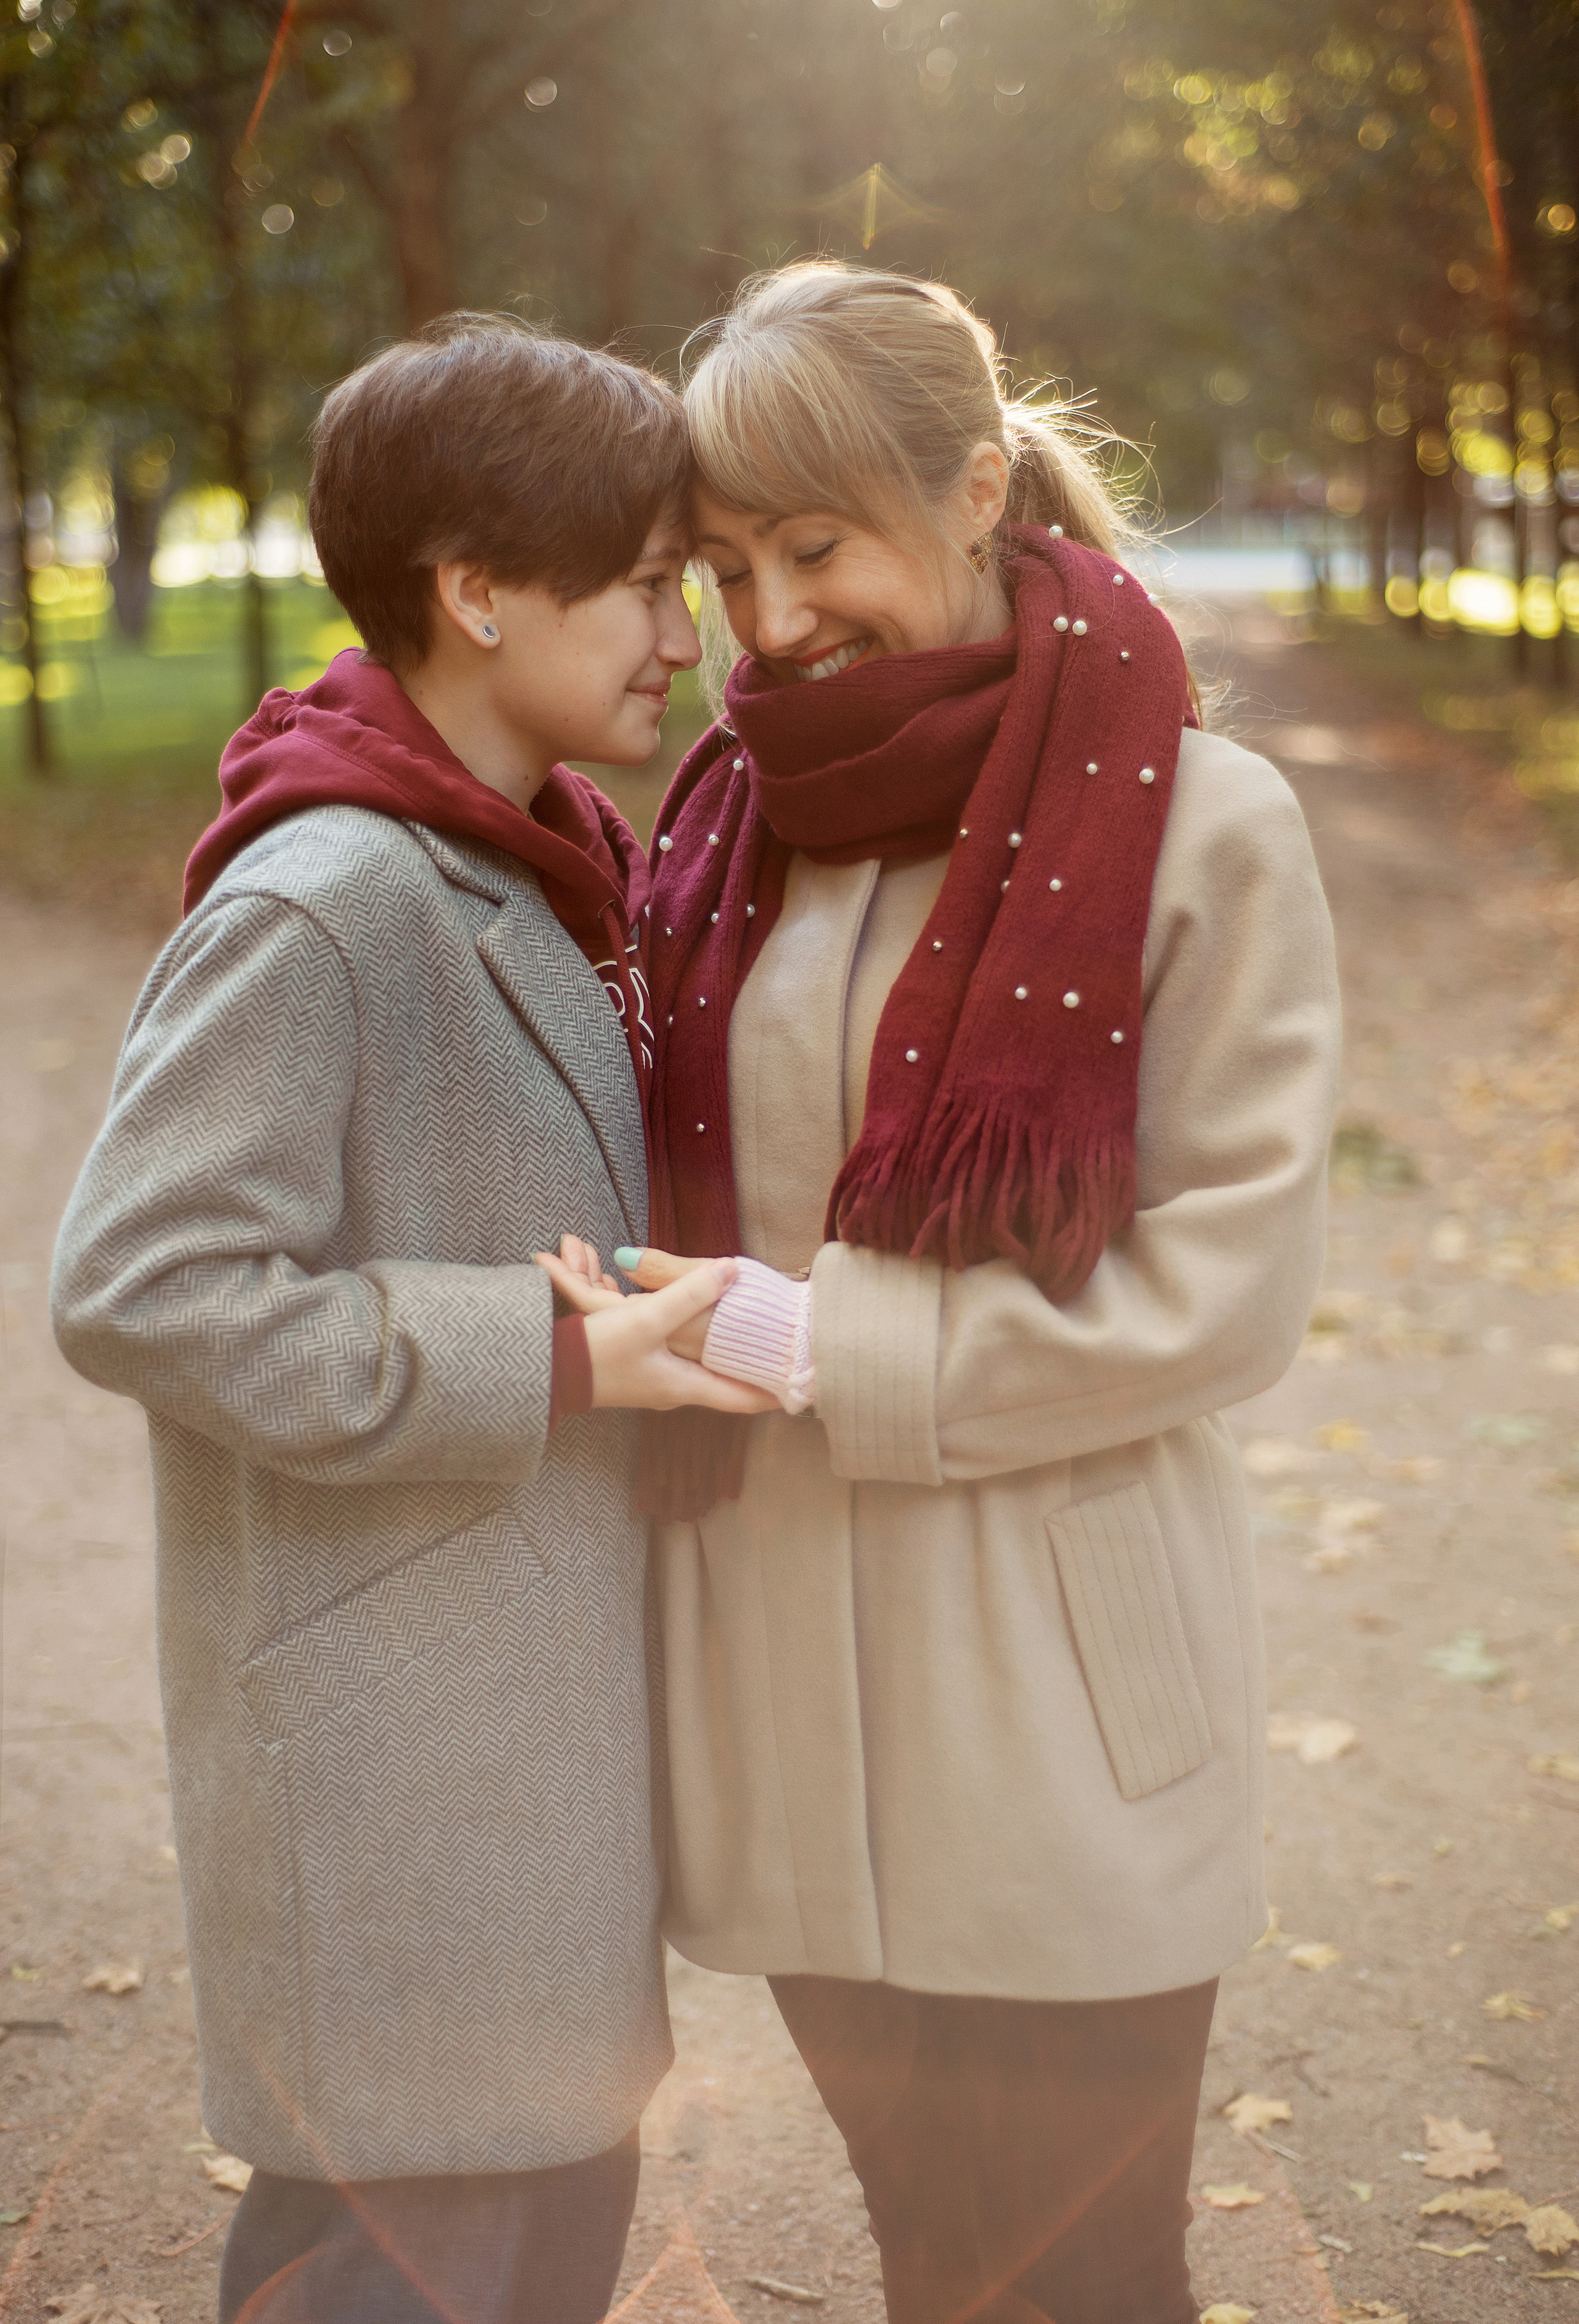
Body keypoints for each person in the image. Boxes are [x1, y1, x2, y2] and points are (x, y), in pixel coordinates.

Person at [542, 263, 1342, 2324]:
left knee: (1084, 2285)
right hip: (791, 1711)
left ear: (976, 486)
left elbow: (1226, 1292)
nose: (773, 621)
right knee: (934, 2262)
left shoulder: (1207, 827)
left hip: (1060, 1719)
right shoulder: (729, 833)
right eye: (724, 569)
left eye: (816, 548)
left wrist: (823, 1340)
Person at [49, 313, 769, 2324]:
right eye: (644, 583)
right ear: (475, 590)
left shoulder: (546, 857)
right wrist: (544, 1354)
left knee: (536, 2246)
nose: (684, 636)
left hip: (522, 1774)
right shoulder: (330, 895)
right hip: (399, 1790)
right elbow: (139, 1283)